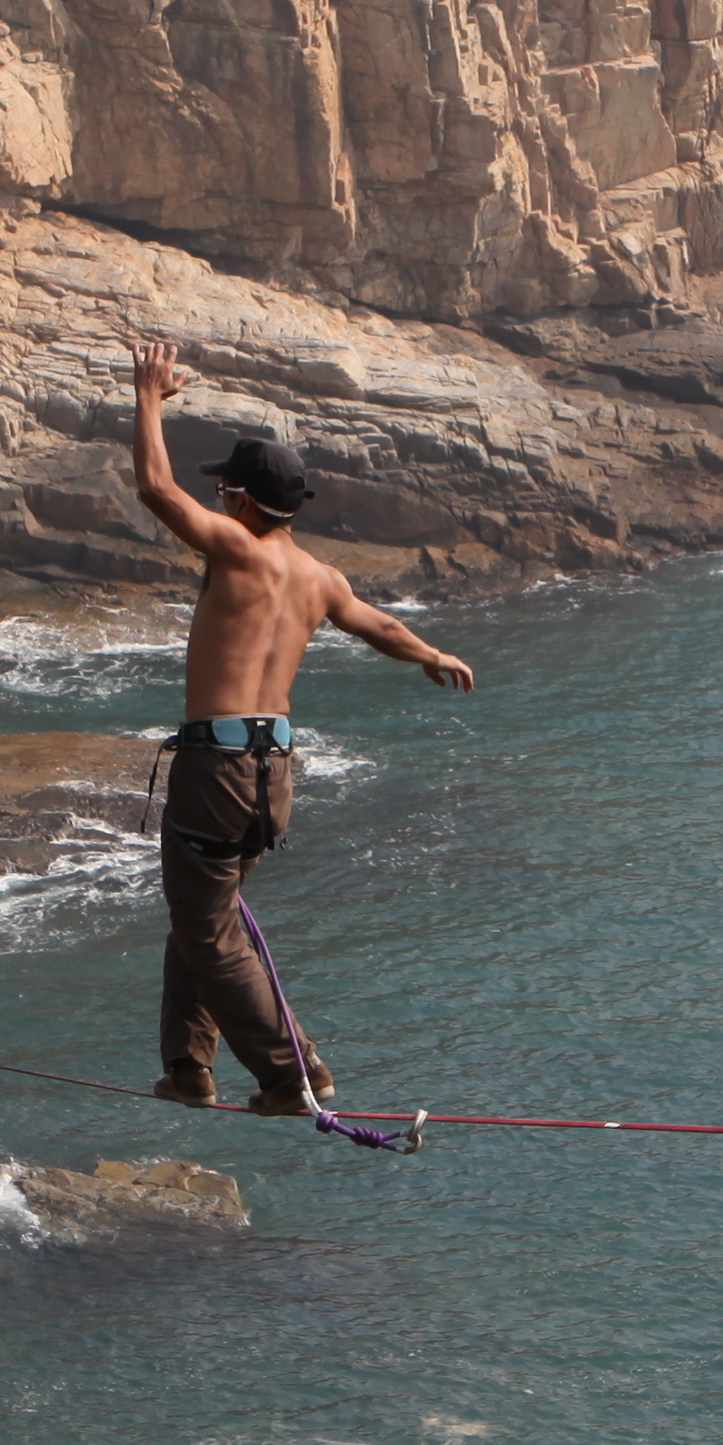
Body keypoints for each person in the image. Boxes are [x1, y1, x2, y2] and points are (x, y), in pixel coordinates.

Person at [120, 332, 473, 1111]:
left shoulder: (235, 550)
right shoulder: (320, 579)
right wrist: (431, 653)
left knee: (209, 932)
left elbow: (153, 487)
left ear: (244, 502)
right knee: (202, 917)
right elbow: (378, 625)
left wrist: (146, 395)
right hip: (273, 776)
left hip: (215, 772)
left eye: (224, 494)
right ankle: (187, 1067)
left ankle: (294, 1072)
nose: (216, 502)